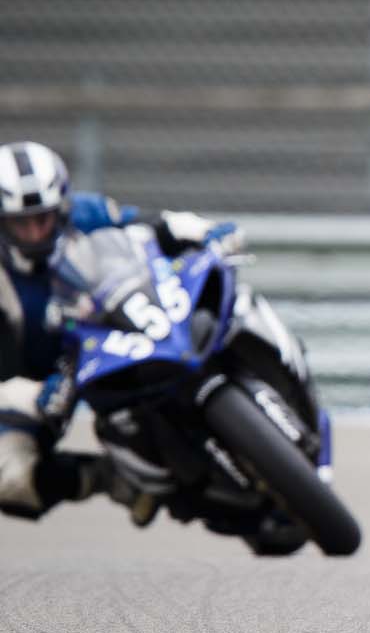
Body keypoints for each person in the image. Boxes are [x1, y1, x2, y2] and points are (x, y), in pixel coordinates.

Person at [0, 140, 240, 523]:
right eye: (20, 223)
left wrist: (203, 231)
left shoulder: (87, 212)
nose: (33, 232)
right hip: (40, 385)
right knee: (10, 480)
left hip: (115, 332)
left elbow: (149, 226)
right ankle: (112, 480)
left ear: (61, 207)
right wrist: (29, 396)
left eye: (42, 218)